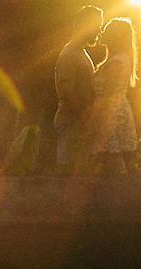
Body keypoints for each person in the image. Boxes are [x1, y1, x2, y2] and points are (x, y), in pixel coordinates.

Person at [55, 6, 103, 172]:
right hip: (71, 125)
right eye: (98, 25)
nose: (100, 30)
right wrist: (86, 120)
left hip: (78, 126)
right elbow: (67, 92)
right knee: (68, 175)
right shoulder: (69, 54)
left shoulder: (81, 53)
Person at [88, 17, 138, 173]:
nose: (102, 32)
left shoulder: (117, 62)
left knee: (111, 157)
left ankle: (123, 192)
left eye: (107, 30)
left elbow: (107, 97)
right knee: (108, 158)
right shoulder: (118, 59)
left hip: (112, 113)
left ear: (115, 35)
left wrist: (95, 121)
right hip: (115, 110)